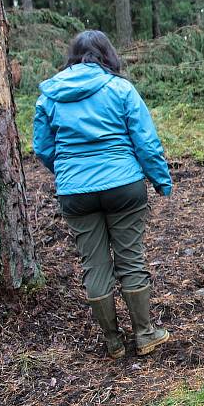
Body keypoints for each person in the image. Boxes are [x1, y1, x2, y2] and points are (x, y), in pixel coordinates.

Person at [33, 30, 172, 359]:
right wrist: (160, 180)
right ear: (107, 55)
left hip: (75, 193)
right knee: (130, 258)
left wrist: (69, 174)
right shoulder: (120, 88)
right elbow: (146, 143)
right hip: (123, 185)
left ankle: (112, 341)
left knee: (94, 265)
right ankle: (145, 333)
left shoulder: (50, 95)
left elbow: (42, 148)